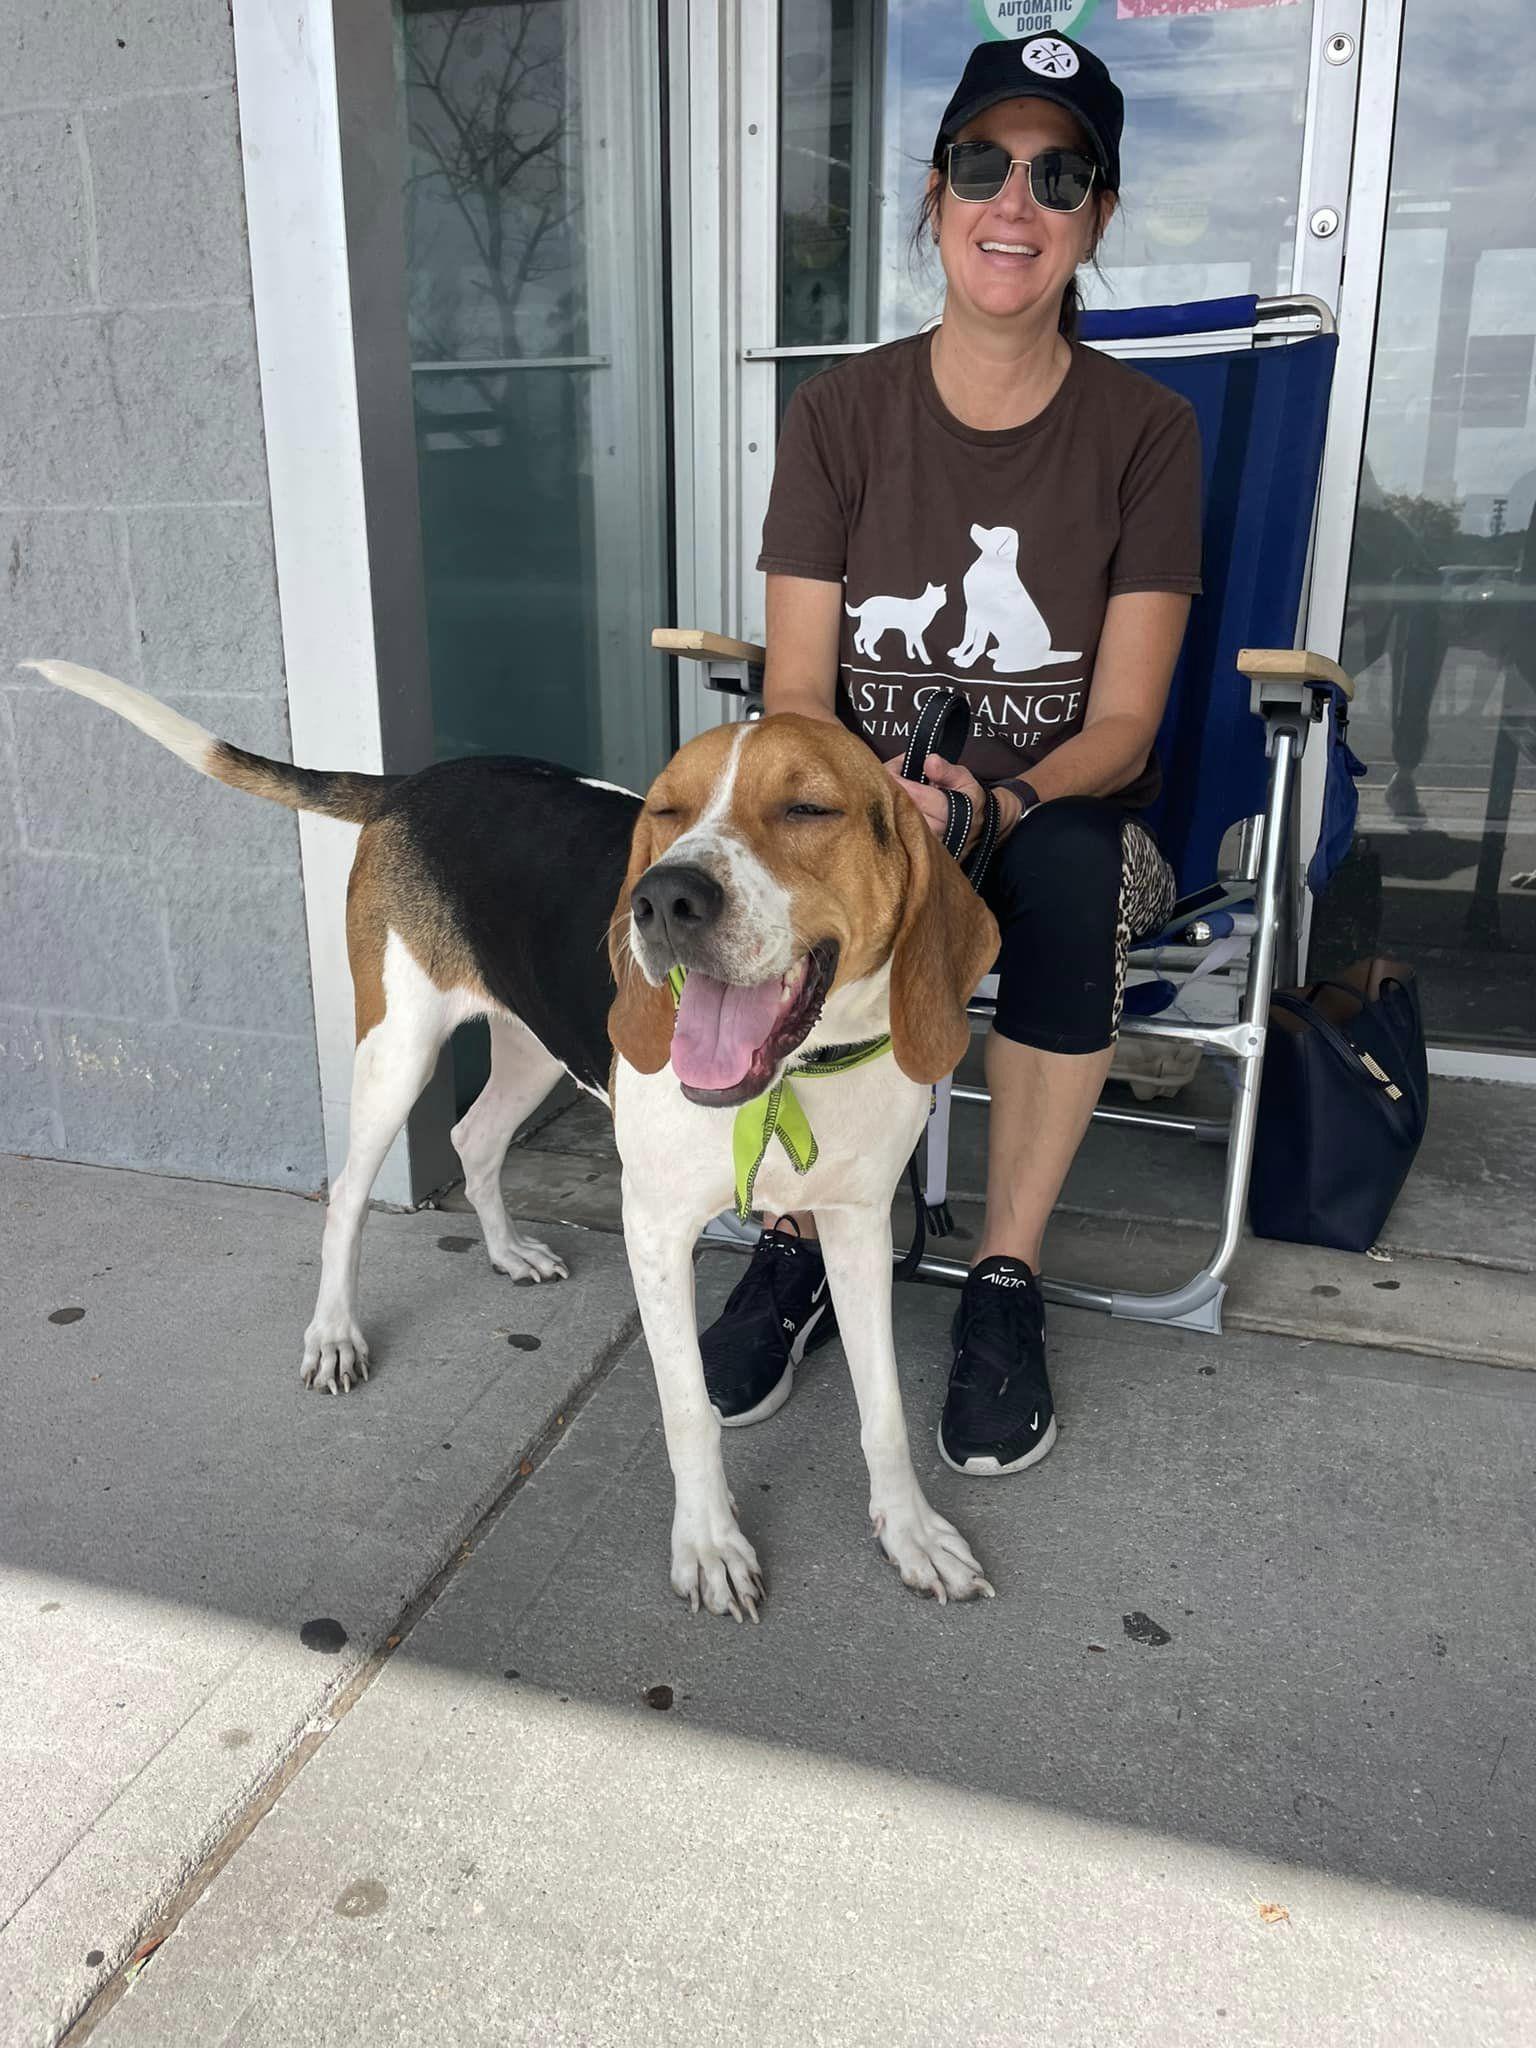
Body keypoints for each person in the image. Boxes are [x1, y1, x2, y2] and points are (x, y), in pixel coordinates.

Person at [699, 33, 1202, 1476]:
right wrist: (880, 805)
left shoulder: (1146, 434)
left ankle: (1003, 1274)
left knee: (1065, 872)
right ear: (935, 198)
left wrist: (991, 794)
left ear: (1095, 217)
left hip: (1058, 808)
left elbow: (1123, 727)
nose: (1016, 202)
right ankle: (803, 1231)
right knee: (808, 869)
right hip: (863, 797)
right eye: (984, 165)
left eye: (1060, 176)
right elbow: (797, 686)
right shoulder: (839, 415)